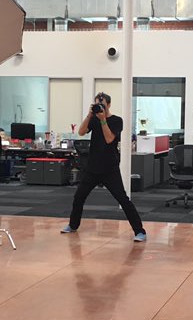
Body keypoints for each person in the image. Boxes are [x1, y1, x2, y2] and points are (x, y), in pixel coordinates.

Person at [61, 92, 147, 242]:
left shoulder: (117, 121)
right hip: (92, 168)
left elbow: (109, 139)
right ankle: (73, 225)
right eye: (97, 105)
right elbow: (81, 132)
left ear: (109, 104)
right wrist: (89, 115)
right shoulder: (93, 119)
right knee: (79, 197)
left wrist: (103, 120)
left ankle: (140, 231)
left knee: (123, 199)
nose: (100, 107)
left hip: (110, 169)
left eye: (102, 105)